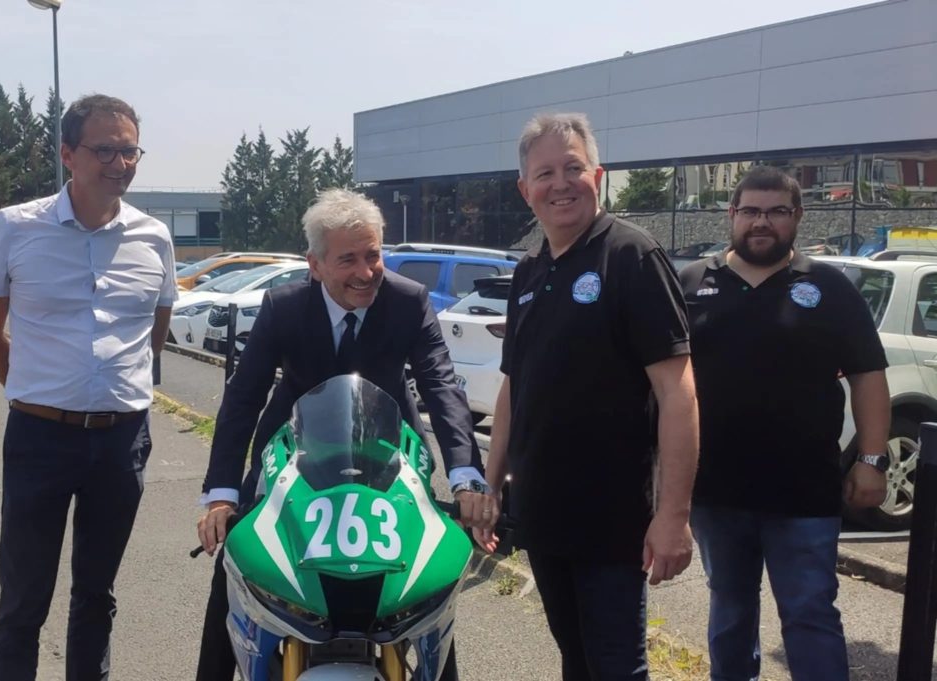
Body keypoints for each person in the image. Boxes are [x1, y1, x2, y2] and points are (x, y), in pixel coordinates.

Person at [194, 188, 497, 681]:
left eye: (373, 255)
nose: (366, 272)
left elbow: (441, 384)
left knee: (425, 586)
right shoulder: (283, 306)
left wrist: (466, 477)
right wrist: (222, 495)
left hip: (390, 454)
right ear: (315, 265)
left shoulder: (408, 300)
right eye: (348, 260)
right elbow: (243, 397)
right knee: (239, 564)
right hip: (292, 454)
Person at [476, 112, 699, 680]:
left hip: (612, 520)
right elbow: (514, 389)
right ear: (525, 190)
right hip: (544, 514)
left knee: (616, 668)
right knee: (575, 660)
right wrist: (489, 485)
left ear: (597, 176)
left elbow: (678, 394)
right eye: (544, 173)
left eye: (573, 168)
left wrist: (673, 516)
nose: (561, 184)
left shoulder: (631, 257)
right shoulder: (529, 272)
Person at [0, 94, 176, 681]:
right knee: (24, 599)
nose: (120, 163)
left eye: (129, 150)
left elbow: (154, 331)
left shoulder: (154, 237)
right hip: (40, 437)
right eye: (104, 150)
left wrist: (113, 388)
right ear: (67, 154)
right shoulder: (16, 226)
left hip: (121, 440)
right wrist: (38, 390)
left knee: (96, 594)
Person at [678, 166, 890, 681]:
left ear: (797, 216)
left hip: (804, 491)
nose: (762, 222)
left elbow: (868, 376)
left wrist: (871, 459)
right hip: (716, 489)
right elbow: (665, 384)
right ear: (732, 214)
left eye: (776, 211)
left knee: (810, 613)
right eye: (750, 210)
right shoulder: (691, 283)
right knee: (729, 610)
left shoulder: (829, 287)